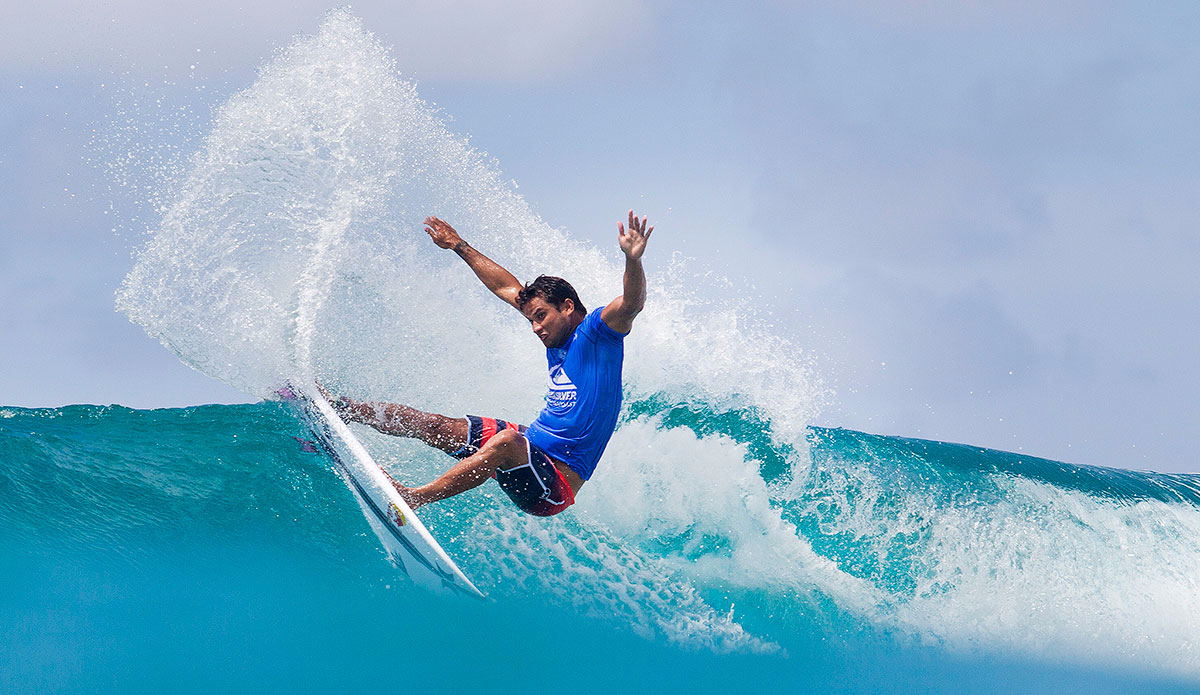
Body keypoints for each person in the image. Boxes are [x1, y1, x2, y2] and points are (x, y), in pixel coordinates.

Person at [320, 210, 653, 517]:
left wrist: (632, 260)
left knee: (506, 442)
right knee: (435, 426)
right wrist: (458, 245)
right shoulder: (553, 332)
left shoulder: (598, 333)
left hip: (553, 487)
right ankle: (341, 408)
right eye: (531, 320)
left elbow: (631, 304)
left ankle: (413, 498)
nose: (535, 328)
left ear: (567, 307)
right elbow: (505, 286)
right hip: (532, 444)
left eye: (541, 316)